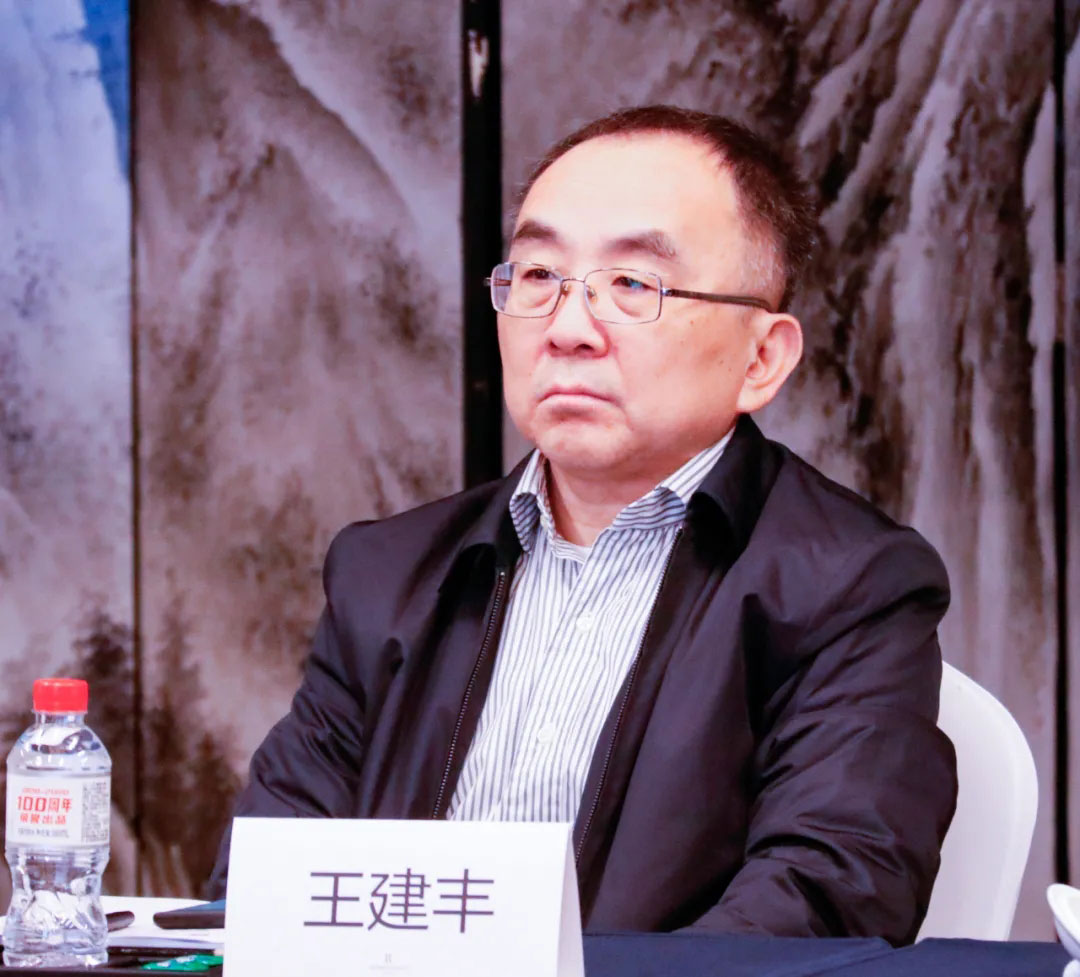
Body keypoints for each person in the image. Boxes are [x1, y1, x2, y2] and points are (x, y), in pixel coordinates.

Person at [209, 105, 957, 945]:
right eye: (538, 276)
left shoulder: (852, 584)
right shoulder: (386, 573)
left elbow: (826, 896)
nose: (567, 329)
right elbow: (265, 884)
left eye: (633, 284)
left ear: (762, 358)